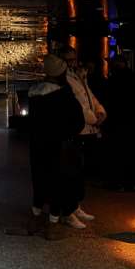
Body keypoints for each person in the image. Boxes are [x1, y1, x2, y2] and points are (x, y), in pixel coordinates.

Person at [25, 54, 87, 239]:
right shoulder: (63, 95)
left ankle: (35, 218)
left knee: (39, 179)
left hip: (38, 144)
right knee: (57, 182)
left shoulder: (34, 93)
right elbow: (78, 121)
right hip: (59, 145)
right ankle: (52, 225)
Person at [60, 46, 103, 226]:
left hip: (87, 128)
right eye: (69, 60)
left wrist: (100, 112)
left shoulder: (78, 76)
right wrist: (94, 119)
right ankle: (68, 210)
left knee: (79, 170)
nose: (73, 63)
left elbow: (89, 97)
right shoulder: (67, 80)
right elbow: (79, 105)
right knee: (71, 171)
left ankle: (75, 206)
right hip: (77, 129)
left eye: (74, 59)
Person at [102, 55, 135, 190]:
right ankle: (132, 182)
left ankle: (118, 182)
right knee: (131, 152)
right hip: (132, 121)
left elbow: (109, 100)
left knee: (117, 153)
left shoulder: (113, 80)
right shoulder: (134, 78)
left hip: (116, 121)